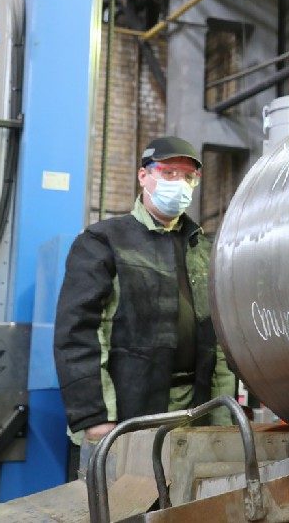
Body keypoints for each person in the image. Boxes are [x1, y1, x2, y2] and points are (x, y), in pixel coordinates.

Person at [54, 136, 236, 474]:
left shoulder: (204, 249)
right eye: (168, 173)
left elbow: (220, 342)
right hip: (125, 416)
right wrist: (95, 416)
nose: (179, 184)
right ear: (143, 176)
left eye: (188, 177)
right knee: (119, 499)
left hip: (193, 412)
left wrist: (223, 416)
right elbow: (77, 333)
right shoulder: (102, 242)